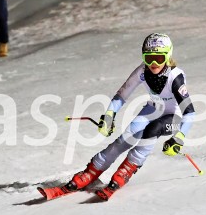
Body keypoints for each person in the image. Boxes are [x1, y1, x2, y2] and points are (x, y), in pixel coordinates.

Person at [41, 33, 197, 201]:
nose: (153, 63)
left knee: (152, 130)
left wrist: (179, 138)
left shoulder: (175, 76)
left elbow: (190, 111)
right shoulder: (142, 71)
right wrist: (109, 115)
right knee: (123, 141)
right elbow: (121, 95)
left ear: (168, 56)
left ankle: (123, 173)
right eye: (148, 57)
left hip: (174, 117)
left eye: (159, 58)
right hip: (152, 110)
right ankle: (89, 174)